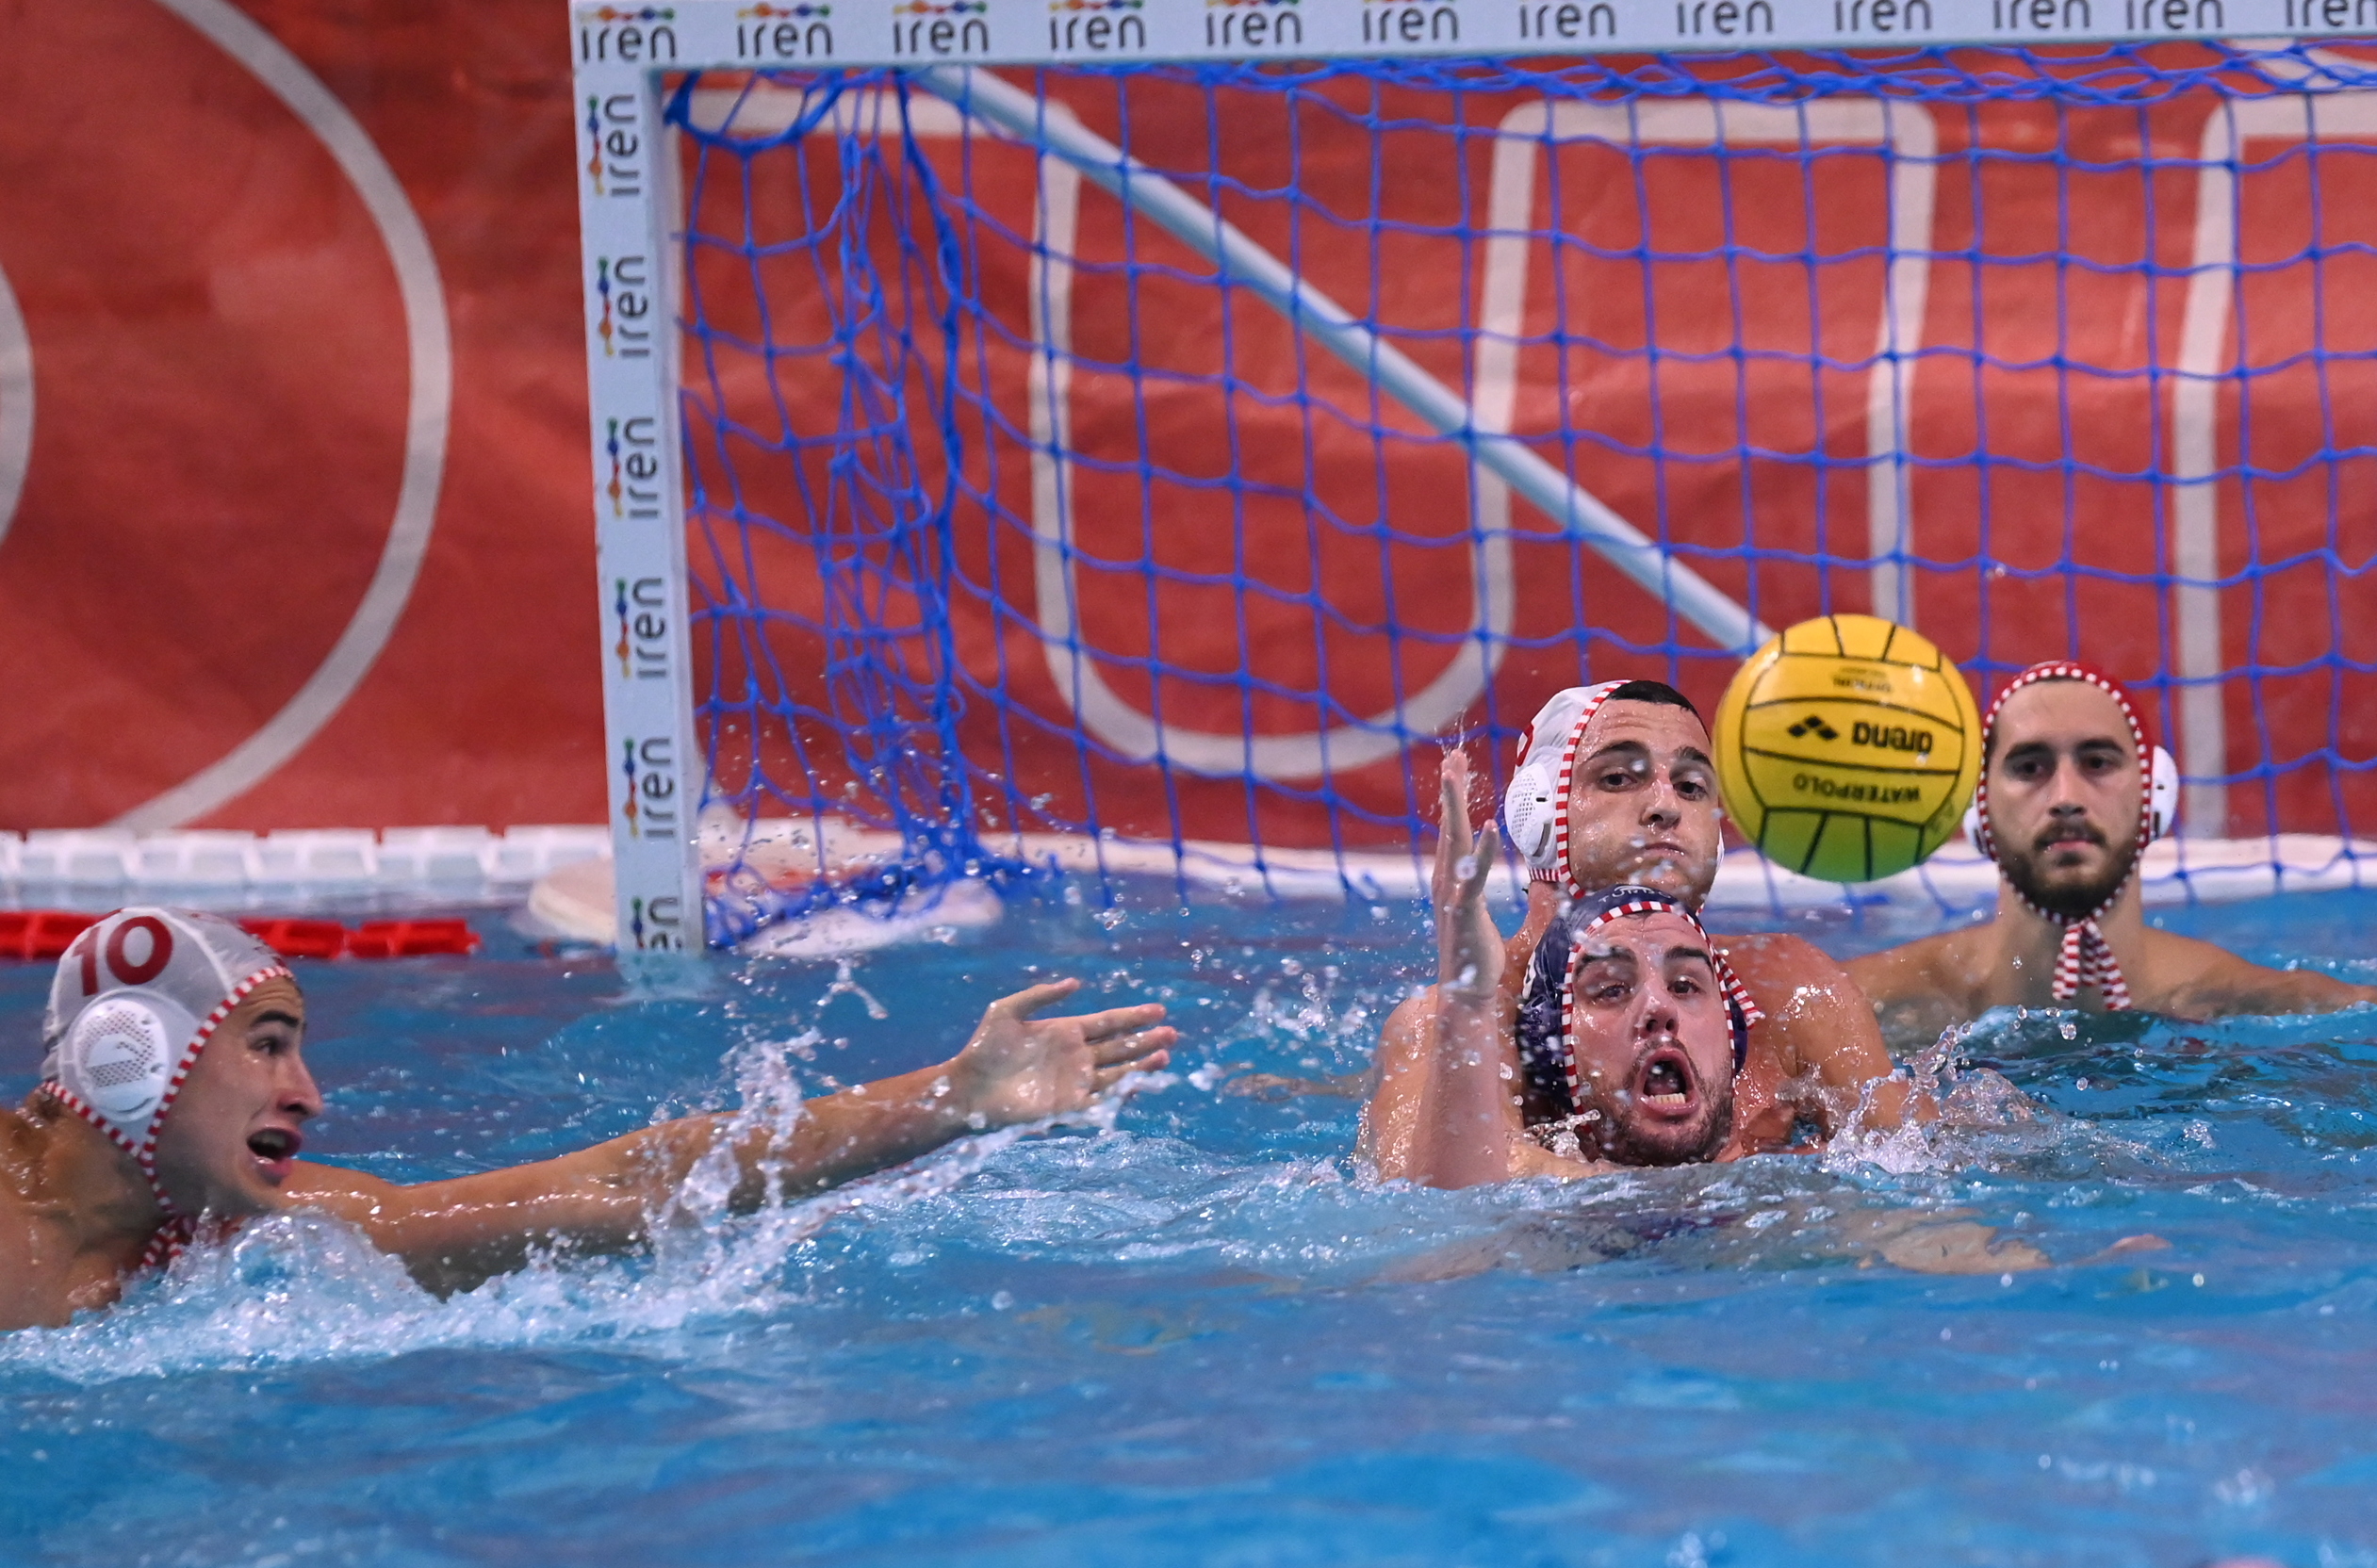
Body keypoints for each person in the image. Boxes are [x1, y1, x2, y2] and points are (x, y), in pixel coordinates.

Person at [0, 906, 1174, 1330]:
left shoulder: (248, 1228)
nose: (308, 1092)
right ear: (129, 1055)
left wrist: (948, 1098)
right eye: (267, 1044)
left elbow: (620, 1183)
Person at [1363, 680, 1916, 1186]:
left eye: (1691, 786)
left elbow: (1917, 1162)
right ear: (1536, 812)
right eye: (1618, 779)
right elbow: (1432, 1200)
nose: (1665, 806)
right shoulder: (1458, 1020)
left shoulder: (1788, 989)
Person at [1844, 662, 2377, 1047]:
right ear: (1979, 808)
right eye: (2029, 768)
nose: (2066, 797)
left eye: (2097, 763)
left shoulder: (2240, 998)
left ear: (2154, 794)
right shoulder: (1873, 1003)